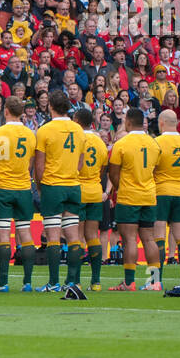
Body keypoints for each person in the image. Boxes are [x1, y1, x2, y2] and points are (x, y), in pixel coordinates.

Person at [33, 91, 87, 294]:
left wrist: (40, 186)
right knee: (74, 237)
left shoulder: (45, 130)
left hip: (52, 185)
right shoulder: (79, 130)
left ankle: (54, 282)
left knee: (53, 236)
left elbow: (39, 165)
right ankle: (72, 281)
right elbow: (80, 163)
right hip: (73, 185)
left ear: (50, 107)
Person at [108, 107, 163, 292]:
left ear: (128, 122)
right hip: (149, 195)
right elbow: (156, 170)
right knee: (149, 239)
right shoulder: (154, 144)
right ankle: (155, 281)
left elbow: (113, 173)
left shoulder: (122, 144)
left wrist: (119, 188)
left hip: (128, 196)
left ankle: (129, 282)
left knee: (130, 239)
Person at [0, 97, 39, 293]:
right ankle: (27, 283)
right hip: (24, 188)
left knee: (3, 235)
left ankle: (2, 283)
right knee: (25, 233)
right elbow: (31, 163)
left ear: (6, 111)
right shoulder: (30, 134)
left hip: (3, 187)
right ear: (22, 112)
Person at [151, 109, 180, 295]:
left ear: (161, 123)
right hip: (179, 192)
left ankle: (155, 281)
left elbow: (151, 169)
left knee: (158, 236)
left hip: (161, 192)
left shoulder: (157, 142)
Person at [75, 108, 110, 290]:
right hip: (95, 190)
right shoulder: (100, 142)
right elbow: (104, 169)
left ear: (77, 121)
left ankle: (76, 282)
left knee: (78, 236)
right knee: (93, 236)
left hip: (78, 190)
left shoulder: (77, 139)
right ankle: (96, 282)